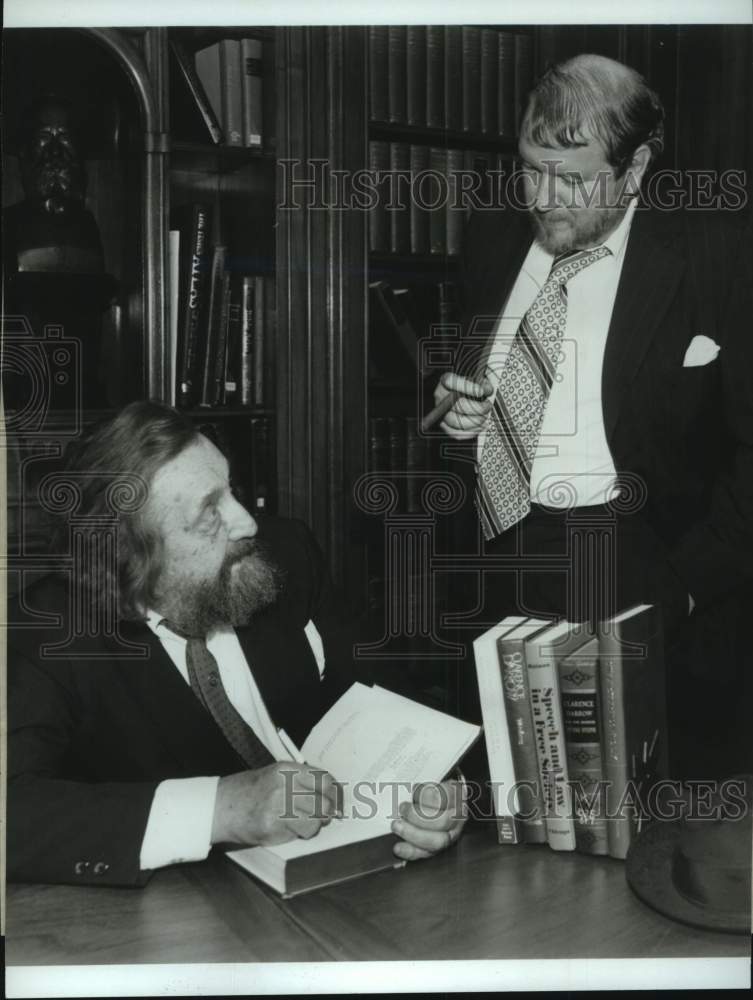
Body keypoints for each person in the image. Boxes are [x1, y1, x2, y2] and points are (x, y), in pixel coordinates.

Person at [433, 54, 753, 778]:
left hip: (641, 565)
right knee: (517, 808)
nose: (543, 198)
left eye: (571, 177)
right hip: (501, 556)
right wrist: (454, 417)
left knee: (638, 823)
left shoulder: (717, 252)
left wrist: (690, 584)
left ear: (635, 166)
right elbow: (475, 383)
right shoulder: (489, 235)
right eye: (528, 169)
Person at [7, 401, 466, 887]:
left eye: (232, 492)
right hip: (198, 915)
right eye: (210, 512)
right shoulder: (46, 635)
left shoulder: (286, 556)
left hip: (368, 876)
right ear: (129, 552)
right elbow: (12, 814)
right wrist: (220, 808)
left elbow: (397, 700)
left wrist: (441, 785)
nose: (247, 522)